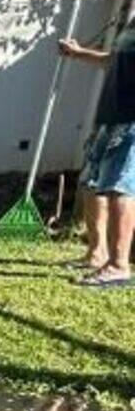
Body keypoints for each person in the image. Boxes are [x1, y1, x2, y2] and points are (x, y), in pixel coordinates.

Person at [60, 18, 135, 287]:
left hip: (131, 119)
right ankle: (96, 253)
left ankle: (118, 265)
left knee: (119, 186)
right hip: (110, 116)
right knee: (92, 184)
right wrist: (79, 53)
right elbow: (114, 61)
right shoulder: (132, 26)